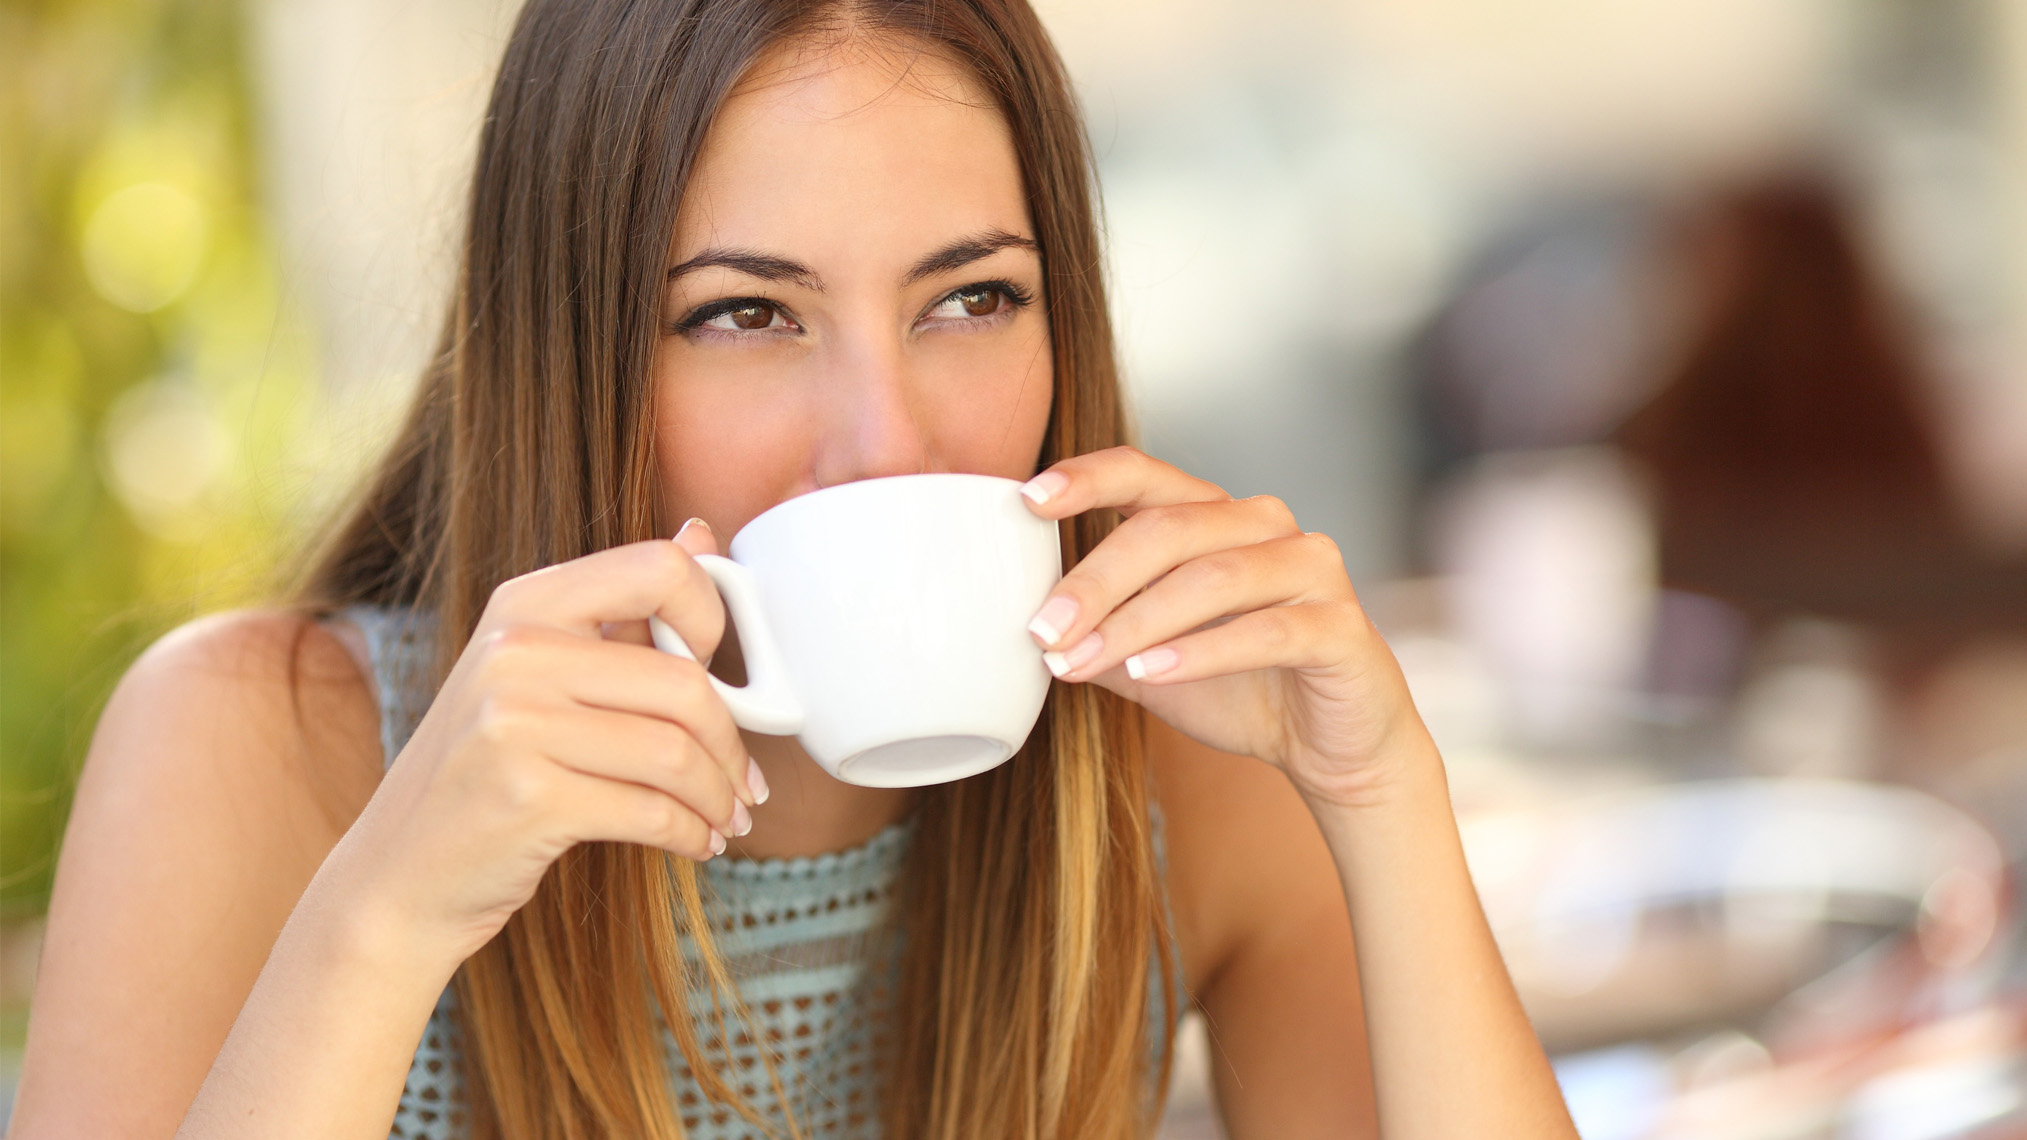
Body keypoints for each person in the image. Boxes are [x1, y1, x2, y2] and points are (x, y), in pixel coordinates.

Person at [11, 2, 1577, 1138]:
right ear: (577, 360)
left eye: (971, 298)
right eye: (746, 315)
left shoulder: (1184, 763)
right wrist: (385, 918)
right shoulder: (264, 745)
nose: (885, 438)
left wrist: (1383, 800)